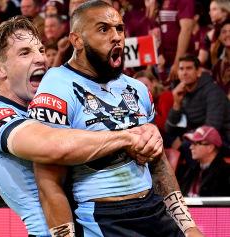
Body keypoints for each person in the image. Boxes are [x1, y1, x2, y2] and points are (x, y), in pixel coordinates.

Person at [0, 16, 165, 236]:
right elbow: (52, 146)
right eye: (25, 53)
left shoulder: (54, 104)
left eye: (41, 50)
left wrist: (145, 130)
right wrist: (128, 137)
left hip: (97, 226)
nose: (40, 59)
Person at [29, 1, 202, 236]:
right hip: (104, 217)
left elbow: (158, 163)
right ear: (77, 40)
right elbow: (48, 179)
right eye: (104, 29)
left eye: (119, 28)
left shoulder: (136, 88)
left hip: (154, 210)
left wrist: (187, 225)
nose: (116, 37)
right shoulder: (56, 86)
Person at [165, 54, 230, 158]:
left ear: (198, 72)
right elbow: (169, 129)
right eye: (181, 69)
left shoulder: (213, 92)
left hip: (223, 138)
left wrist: (184, 138)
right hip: (199, 135)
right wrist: (176, 103)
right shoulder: (182, 91)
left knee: (187, 146)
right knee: (166, 138)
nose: (185, 73)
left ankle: (197, 173)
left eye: (189, 68)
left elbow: (212, 127)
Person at [178, 125, 230, 197]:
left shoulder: (225, 174)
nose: (190, 147)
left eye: (195, 143)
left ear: (210, 147)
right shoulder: (192, 170)